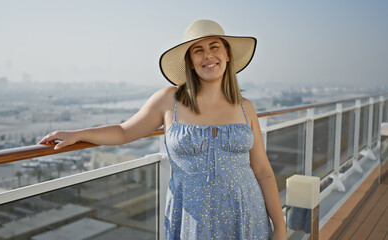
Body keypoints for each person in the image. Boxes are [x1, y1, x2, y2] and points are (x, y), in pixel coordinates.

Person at [39, 19, 286, 240]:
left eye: (214, 47)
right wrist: (79, 134)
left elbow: (263, 171)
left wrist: (280, 228)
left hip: (246, 215)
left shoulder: (246, 107)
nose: (207, 55)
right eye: (198, 50)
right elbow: (125, 131)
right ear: (190, 61)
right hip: (192, 220)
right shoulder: (169, 100)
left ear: (227, 54)